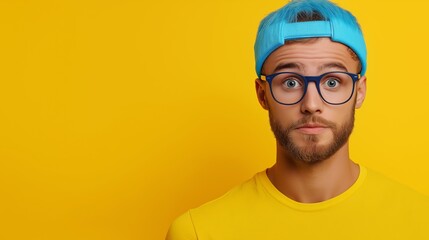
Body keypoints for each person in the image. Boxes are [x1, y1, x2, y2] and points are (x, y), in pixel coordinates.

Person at [166, 0, 429, 239]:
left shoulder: (421, 223)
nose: (311, 104)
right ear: (262, 94)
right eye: (290, 82)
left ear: (359, 92)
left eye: (332, 81)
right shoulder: (198, 232)